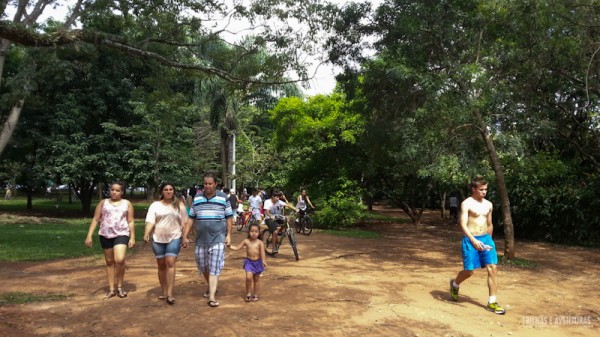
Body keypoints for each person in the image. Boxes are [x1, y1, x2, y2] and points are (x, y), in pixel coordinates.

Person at [449, 176, 505, 314]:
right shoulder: (466, 203)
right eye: (481, 189)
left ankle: (492, 302)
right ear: (473, 189)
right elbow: (462, 224)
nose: (484, 192)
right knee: (469, 271)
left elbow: (489, 223)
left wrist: (490, 241)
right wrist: (473, 240)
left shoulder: (489, 204)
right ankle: (455, 284)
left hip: (485, 239)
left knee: (492, 268)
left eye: (486, 189)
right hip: (470, 240)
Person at [182, 173, 234, 308]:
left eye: (210, 184)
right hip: (201, 239)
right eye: (205, 183)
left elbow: (229, 217)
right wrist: (185, 235)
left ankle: (212, 296)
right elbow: (191, 218)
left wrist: (229, 235)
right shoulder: (198, 198)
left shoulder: (223, 198)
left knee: (214, 266)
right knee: (202, 265)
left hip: (218, 238)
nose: (208, 186)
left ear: (215, 184)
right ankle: (212, 285)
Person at [85, 182, 135, 299]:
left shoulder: (127, 204)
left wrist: (132, 237)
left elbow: (131, 221)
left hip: (121, 234)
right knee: (109, 261)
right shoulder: (103, 203)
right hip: (105, 234)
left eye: (117, 190)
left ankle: (120, 286)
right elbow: (96, 219)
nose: (114, 192)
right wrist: (89, 235)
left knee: (120, 259)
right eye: (112, 189)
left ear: (122, 192)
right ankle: (112, 289)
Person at [144, 182, 188, 305]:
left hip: (174, 237)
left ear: (174, 191)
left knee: (170, 263)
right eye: (165, 189)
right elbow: (151, 221)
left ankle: (170, 293)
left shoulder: (179, 205)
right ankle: (163, 291)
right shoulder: (155, 205)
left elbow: (184, 223)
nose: (168, 191)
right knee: (161, 264)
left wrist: (184, 238)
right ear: (162, 192)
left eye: (170, 189)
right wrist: (146, 233)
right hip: (158, 238)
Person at [227, 223, 267, 302]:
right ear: (249, 232)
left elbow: (262, 253)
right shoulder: (246, 241)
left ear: (259, 233)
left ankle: (255, 294)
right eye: (252, 231)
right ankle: (248, 293)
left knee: (256, 279)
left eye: (256, 231)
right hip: (249, 262)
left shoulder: (260, 243)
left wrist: (263, 261)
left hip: (258, 263)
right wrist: (230, 246)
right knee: (248, 278)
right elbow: (237, 248)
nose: (254, 233)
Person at [263, 189, 298, 254]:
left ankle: (280, 234)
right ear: (273, 196)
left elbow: (287, 205)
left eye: (279, 197)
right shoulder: (267, 202)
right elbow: (266, 211)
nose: (278, 198)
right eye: (277, 197)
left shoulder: (279, 202)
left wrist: (295, 209)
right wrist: (270, 216)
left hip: (278, 217)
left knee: (286, 221)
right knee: (275, 231)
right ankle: (273, 248)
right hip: (269, 218)